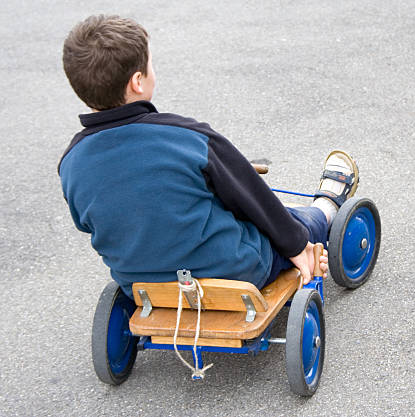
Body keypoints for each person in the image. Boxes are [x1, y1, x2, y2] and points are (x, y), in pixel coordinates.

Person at [59, 15, 359, 299]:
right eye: (151, 65)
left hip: (138, 283)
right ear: (138, 81)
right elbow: (249, 195)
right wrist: (296, 244)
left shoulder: (71, 163)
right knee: (292, 220)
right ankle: (327, 207)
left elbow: (89, 224)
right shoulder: (189, 138)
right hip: (234, 271)